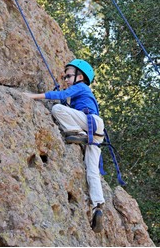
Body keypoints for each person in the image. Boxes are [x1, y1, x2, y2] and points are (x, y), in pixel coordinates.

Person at [24, 59, 105, 233]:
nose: (65, 79)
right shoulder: (81, 91)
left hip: (90, 124)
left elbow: (60, 98)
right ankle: (98, 206)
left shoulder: (82, 87)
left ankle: (77, 133)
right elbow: (68, 100)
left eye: (68, 75)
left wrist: (32, 96)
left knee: (57, 109)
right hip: (96, 130)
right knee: (92, 170)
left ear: (80, 76)